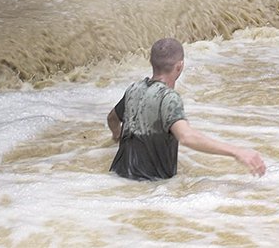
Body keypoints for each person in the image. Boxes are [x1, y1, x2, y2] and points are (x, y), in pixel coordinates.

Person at [107, 37, 266, 181]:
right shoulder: (168, 98)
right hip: (150, 188)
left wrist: (117, 137)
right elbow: (186, 137)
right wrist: (237, 152)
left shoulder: (133, 90)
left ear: (151, 62)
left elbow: (112, 119)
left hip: (118, 179)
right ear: (180, 66)